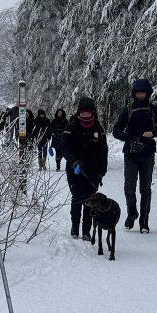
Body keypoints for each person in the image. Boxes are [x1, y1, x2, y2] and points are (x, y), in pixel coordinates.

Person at [111, 79, 157, 233]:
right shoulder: (128, 110)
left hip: (147, 154)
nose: (140, 94)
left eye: (143, 92)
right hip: (130, 154)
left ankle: (144, 221)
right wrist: (127, 137)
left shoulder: (153, 110)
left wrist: (153, 133)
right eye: (137, 92)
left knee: (145, 189)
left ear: (148, 93)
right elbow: (116, 130)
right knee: (129, 188)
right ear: (134, 93)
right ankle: (132, 213)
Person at [63, 97, 108, 240]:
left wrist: (102, 171)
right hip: (75, 169)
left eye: (88, 113)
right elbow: (64, 147)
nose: (86, 115)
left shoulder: (98, 129)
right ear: (79, 113)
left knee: (90, 200)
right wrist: (73, 161)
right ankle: (75, 226)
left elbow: (103, 151)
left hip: (93, 171)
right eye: (83, 113)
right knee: (78, 197)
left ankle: (86, 230)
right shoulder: (71, 126)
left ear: (93, 112)